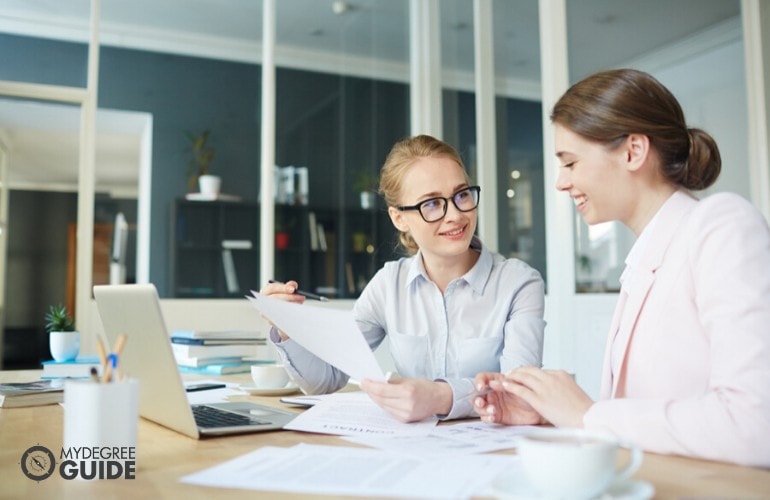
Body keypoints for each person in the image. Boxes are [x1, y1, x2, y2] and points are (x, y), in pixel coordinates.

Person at [473, 68, 770, 467]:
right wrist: (553, 413)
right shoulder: (644, 259)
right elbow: (643, 412)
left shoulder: (722, 225)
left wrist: (586, 414)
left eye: (571, 162)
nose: (560, 182)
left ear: (633, 152)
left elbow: (755, 424)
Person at [261, 134, 546, 422]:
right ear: (399, 218)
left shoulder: (518, 284)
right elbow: (326, 378)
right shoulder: (389, 285)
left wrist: (437, 396)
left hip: (495, 452)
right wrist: (286, 326)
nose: (456, 215)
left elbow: (518, 393)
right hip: (411, 447)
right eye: (432, 203)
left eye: (462, 195)